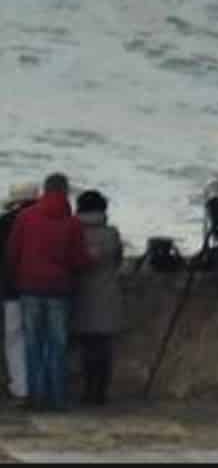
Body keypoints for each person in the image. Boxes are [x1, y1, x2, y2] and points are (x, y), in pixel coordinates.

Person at [5, 173, 90, 411]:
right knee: (57, 342)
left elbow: (13, 252)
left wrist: (19, 276)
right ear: (65, 192)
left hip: (29, 287)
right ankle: (57, 397)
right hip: (59, 289)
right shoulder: (72, 222)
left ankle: (36, 396)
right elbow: (78, 259)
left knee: (32, 343)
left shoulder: (26, 217)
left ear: (44, 190)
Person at [72, 191, 123, 406]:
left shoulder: (74, 232)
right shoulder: (111, 234)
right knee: (103, 348)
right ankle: (100, 392)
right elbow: (118, 260)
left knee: (86, 348)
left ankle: (87, 392)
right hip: (107, 295)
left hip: (81, 295)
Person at [0, 184, 38, 403]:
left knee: (14, 339)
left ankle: (21, 388)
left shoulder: (4, 222)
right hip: (45, 289)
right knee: (43, 339)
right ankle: (43, 386)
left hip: (12, 291)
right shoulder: (47, 220)